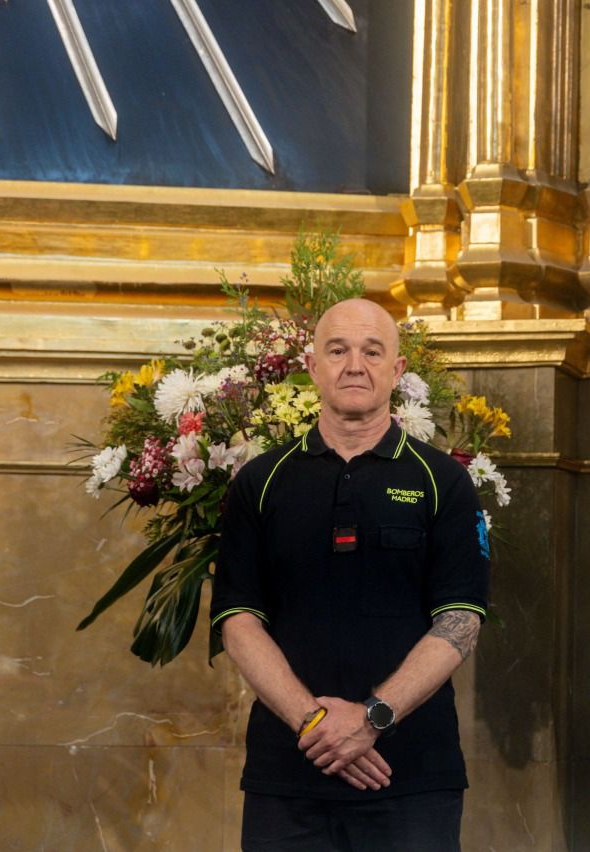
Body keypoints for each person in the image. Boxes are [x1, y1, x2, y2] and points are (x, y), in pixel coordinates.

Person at [210, 298, 490, 851]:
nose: (354, 365)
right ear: (312, 366)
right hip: (287, 775)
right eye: (337, 350)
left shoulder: (444, 483)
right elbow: (237, 619)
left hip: (411, 778)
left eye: (371, 351)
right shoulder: (259, 483)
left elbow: (460, 619)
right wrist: (313, 723)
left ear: (397, 371)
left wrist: (371, 719)